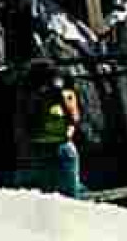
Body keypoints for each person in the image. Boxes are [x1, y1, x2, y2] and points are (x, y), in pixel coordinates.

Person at [20, 59, 83, 198]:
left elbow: (74, 119)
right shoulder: (31, 97)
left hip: (61, 147)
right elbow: (27, 123)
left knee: (70, 193)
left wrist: (68, 134)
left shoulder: (65, 95)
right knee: (48, 194)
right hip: (41, 149)